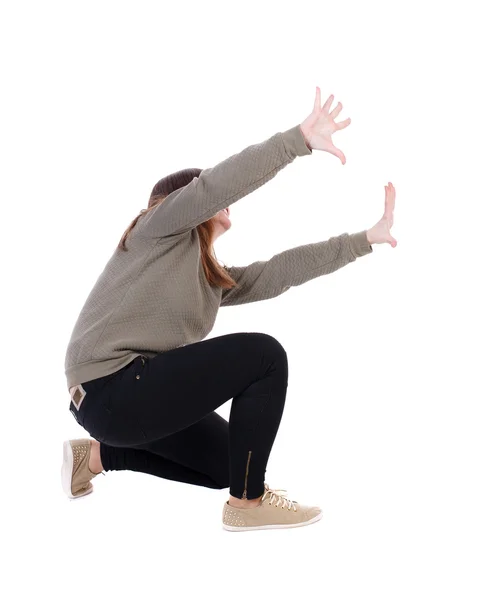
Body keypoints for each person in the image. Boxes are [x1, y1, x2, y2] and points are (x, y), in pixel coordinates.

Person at [61, 87, 397, 532]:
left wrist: (364, 240)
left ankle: (96, 457)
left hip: (122, 407)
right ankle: (249, 504)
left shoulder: (207, 277)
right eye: (202, 195)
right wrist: (297, 140)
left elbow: (278, 272)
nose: (220, 200)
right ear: (183, 203)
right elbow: (219, 183)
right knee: (265, 356)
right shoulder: (155, 229)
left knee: (230, 462)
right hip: (108, 386)